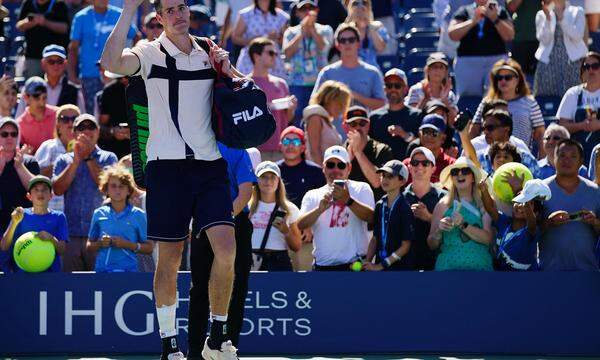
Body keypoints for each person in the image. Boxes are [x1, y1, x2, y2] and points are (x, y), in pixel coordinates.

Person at [101, 0, 244, 356]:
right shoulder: (148, 53)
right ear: (160, 18)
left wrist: (229, 70)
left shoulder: (209, 50)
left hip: (210, 165)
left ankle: (217, 336)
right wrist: (129, 8)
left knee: (227, 250)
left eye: (183, 7)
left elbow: (243, 94)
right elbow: (110, 63)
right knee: (170, 258)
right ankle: (169, 345)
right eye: (171, 10)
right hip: (166, 168)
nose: (179, 14)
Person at [187, 142, 255, 357]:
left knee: (236, 289)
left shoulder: (237, 149)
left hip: (236, 223)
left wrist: (220, 220)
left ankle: (226, 346)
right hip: (203, 223)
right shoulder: (192, 147)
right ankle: (196, 352)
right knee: (199, 288)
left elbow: (245, 192)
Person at [52, 114, 118, 272]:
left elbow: (108, 188)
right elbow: (57, 189)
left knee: (101, 286)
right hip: (71, 236)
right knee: (72, 288)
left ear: (98, 131)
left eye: (91, 127)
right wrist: (75, 162)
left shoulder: (109, 157)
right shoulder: (63, 160)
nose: (86, 131)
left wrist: (88, 157)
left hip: (100, 236)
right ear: (74, 133)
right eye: (81, 128)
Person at [297, 145, 375, 270]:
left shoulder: (361, 188)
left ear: (349, 168)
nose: (335, 169)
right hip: (323, 267)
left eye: (341, 165)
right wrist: (319, 210)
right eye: (330, 165)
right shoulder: (312, 195)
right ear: (323, 168)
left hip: (355, 266)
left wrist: (348, 201)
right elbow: (300, 225)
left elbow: (371, 217)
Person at [68, 0, 138, 113]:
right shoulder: (81, 17)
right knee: (91, 115)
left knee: (115, 114)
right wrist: (71, 75)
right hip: (89, 75)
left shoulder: (119, 15)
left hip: (115, 75)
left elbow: (136, 36)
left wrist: (130, 66)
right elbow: (73, 48)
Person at [540, 139, 600, 270]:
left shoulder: (595, 191)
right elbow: (530, 233)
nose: (567, 160)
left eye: (573, 156)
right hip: (550, 272)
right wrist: (548, 223)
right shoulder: (540, 190)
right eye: (562, 155)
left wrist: (595, 222)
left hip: (587, 273)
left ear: (581, 162)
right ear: (553, 158)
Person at [428, 157, 494, 271]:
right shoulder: (442, 205)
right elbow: (431, 244)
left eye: (465, 171)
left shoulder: (484, 204)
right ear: (451, 178)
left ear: (473, 177)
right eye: (455, 172)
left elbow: (488, 239)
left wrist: (463, 225)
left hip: (480, 269)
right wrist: (439, 231)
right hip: (447, 269)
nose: (459, 175)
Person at [469, 59, 545, 157]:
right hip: (490, 158)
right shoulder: (486, 102)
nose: (503, 81)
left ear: (517, 80)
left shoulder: (530, 102)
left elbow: (540, 134)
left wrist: (543, 159)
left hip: (521, 157)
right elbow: (474, 130)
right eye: (499, 78)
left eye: (508, 77)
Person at [276, 126, 325, 271]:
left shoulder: (315, 172)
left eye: (296, 142)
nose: (290, 145)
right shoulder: (273, 171)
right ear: (280, 145)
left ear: (303, 147)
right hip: (278, 234)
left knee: (305, 281)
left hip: (307, 236)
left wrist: (309, 226)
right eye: (286, 141)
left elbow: (323, 203)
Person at [86, 165, 153, 272]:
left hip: (129, 273)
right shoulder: (98, 213)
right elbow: (89, 246)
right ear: (106, 190)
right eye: (113, 186)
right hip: (102, 273)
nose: (117, 190)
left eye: (121, 186)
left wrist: (127, 244)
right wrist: (100, 243)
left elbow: (149, 248)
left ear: (128, 191)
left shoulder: (138, 215)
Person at [1, 175, 67, 272]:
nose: (40, 193)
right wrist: (14, 223)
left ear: (51, 195)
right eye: (36, 189)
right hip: (23, 276)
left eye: (44, 189)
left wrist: (51, 239)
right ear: (29, 196)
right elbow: (4, 246)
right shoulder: (21, 215)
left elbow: (62, 250)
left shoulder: (59, 217)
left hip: (51, 275)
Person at [312, 23, 385, 110]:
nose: (347, 43)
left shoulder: (373, 73)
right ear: (338, 46)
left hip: (363, 123)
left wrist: (355, 96)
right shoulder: (327, 73)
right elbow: (314, 103)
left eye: (351, 40)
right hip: (333, 124)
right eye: (343, 40)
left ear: (358, 44)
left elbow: (382, 104)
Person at [480, 175, 547, 271]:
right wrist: (483, 190)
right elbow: (490, 208)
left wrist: (526, 203)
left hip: (527, 281)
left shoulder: (532, 230)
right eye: (519, 201)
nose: (520, 205)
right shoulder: (504, 222)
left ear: (535, 213)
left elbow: (531, 222)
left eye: (530, 203)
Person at [448, 0, 515, 96]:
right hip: (468, 62)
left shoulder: (499, 11)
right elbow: (452, 34)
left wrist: (495, 18)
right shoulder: (464, 11)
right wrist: (473, 21)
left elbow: (509, 36)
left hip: (495, 61)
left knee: (496, 97)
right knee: (468, 98)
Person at [0, 117, 40, 272]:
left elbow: (37, 190)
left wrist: (19, 166)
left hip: (25, 225)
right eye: (4, 134)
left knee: (25, 273)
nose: (9, 137)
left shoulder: (28, 161)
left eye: (13, 134)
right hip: (1, 226)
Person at [248, 37, 297, 161]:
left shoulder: (281, 83)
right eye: (270, 53)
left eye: (276, 53)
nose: (274, 56)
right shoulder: (246, 84)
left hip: (280, 149)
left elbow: (288, 118)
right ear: (256, 56)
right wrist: (267, 107)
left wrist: (291, 108)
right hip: (256, 150)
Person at [283, 0, 333, 117]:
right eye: (303, 9)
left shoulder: (325, 30)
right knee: (298, 117)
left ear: (317, 11)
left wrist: (313, 30)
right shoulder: (290, 32)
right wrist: (302, 33)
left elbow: (324, 48)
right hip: (297, 82)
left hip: (320, 82)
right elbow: (287, 54)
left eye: (310, 9)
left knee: (321, 116)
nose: (307, 12)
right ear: (297, 13)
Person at [248, 161, 301, 270]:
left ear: (278, 181)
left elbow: (296, 246)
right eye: (263, 177)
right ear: (256, 180)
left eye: (273, 177)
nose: (268, 181)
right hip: (251, 260)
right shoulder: (246, 207)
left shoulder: (289, 209)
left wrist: (286, 231)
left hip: (279, 261)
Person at [363, 160, 414, 271]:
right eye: (383, 175)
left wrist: (382, 265)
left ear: (402, 181)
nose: (384, 179)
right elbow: (375, 238)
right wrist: (367, 261)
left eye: (390, 176)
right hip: (379, 268)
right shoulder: (380, 205)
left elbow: (406, 246)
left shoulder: (405, 208)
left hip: (400, 271)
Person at [404, 147, 447, 270]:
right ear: (409, 167)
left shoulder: (444, 197)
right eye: (415, 163)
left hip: (436, 264)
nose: (420, 167)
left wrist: (429, 217)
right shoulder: (400, 197)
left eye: (425, 163)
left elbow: (452, 229)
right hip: (406, 265)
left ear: (433, 168)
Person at [15, 45, 86, 118]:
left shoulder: (75, 91)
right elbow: (19, 118)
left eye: (59, 61)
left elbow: (81, 120)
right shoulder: (29, 88)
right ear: (43, 63)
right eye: (51, 61)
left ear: (65, 64)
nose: (55, 65)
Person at [534, 0, 587, 97]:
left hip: (572, 64)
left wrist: (561, 18)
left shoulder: (577, 11)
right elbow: (544, 40)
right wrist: (548, 19)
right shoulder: (541, 14)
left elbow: (577, 36)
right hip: (548, 65)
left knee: (574, 97)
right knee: (547, 99)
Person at [369, 68, 423, 160]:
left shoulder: (417, 116)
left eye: (397, 86)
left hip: (409, 170)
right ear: (385, 89)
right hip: (380, 171)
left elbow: (424, 146)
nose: (393, 89)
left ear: (406, 89)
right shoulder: (374, 117)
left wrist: (405, 135)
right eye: (389, 86)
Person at [557, 52, 600, 164]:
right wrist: (581, 126)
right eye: (586, 67)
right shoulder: (572, 93)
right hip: (578, 156)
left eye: (595, 66)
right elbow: (562, 126)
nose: (591, 70)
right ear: (582, 71)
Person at [35, 105, 80, 212]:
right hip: (52, 211)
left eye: (74, 119)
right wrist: (63, 163)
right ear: (58, 125)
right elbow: (35, 177)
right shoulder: (48, 147)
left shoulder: (88, 148)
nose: (70, 123)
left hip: (79, 214)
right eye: (65, 119)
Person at [343, 105, 394, 200]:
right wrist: (349, 156)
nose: (358, 127)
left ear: (368, 125)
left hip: (374, 207)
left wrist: (358, 152)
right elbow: (336, 182)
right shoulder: (340, 150)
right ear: (346, 126)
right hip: (347, 208)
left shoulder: (382, 150)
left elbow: (377, 182)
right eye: (353, 124)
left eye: (362, 123)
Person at [232, 0, 289, 79]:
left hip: (273, 61)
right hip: (250, 62)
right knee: (249, 87)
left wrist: (278, 37)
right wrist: (253, 40)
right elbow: (235, 38)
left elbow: (286, 39)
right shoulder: (246, 14)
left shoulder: (281, 16)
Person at [15, 0, 69, 78]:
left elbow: (64, 28)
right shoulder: (28, 3)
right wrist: (32, 21)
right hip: (33, 56)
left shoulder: (59, 3)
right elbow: (19, 26)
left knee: (57, 87)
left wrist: (45, 22)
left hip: (56, 59)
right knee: (33, 88)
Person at [303, 80, 349, 164]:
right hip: (319, 172)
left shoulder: (327, 122)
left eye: (343, 105)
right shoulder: (315, 118)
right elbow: (314, 151)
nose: (342, 109)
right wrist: (321, 173)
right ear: (328, 100)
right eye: (339, 104)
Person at [402, 114, 456, 184]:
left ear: (443, 138)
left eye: (434, 133)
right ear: (419, 134)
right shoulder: (407, 165)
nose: (429, 137)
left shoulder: (452, 165)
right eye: (426, 132)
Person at [406, 52, 458, 121]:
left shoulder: (450, 94)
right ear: (428, 70)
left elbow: (454, 122)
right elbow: (411, 120)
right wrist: (424, 100)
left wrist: (445, 101)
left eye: (441, 67)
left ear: (446, 71)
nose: (438, 70)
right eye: (435, 67)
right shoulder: (416, 90)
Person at [343, 0, 389, 69]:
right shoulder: (344, 28)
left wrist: (368, 23)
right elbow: (340, 46)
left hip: (371, 71)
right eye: (355, 3)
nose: (360, 7)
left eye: (364, 3)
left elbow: (381, 48)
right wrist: (350, 18)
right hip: (349, 70)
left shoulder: (377, 26)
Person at [16, 77, 58, 153]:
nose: (41, 103)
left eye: (44, 98)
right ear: (26, 97)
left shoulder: (58, 114)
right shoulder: (19, 124)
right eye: (37, 98)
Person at [97, 73, 131, 159]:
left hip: (143, 146)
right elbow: (101, 126)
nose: (124, 79)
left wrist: (135, 132)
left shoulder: (147, 89)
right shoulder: (109, 91)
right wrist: (112, 131)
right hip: (114, 149)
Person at [507, 0, 542, 76]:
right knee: (517, 75)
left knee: (537, 77)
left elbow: (550, 4)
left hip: (540, 41)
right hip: (519, 40)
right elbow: (511, 7)